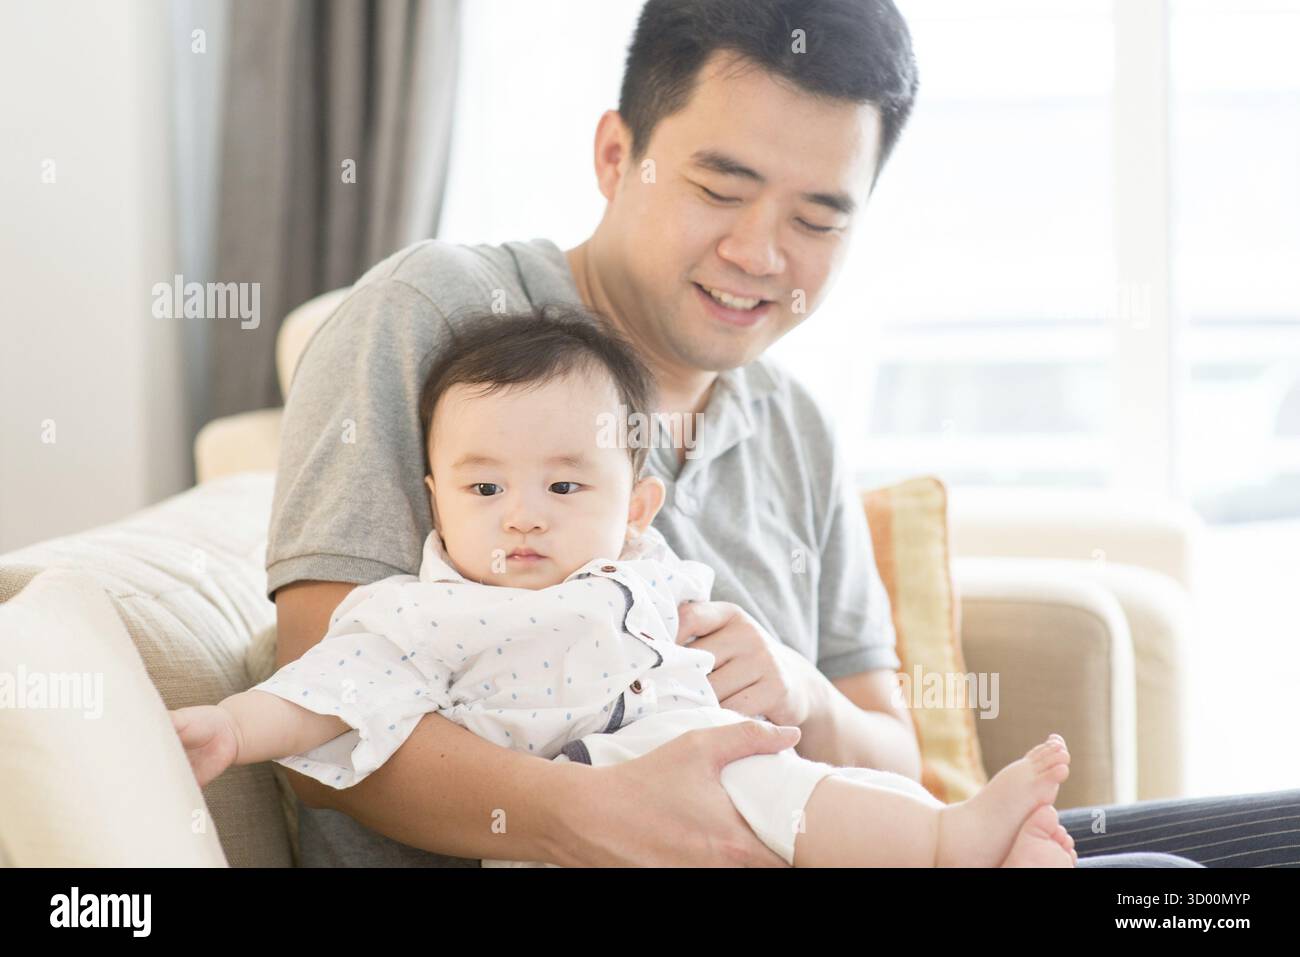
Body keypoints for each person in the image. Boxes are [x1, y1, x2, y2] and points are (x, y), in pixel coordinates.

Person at [267, 0, 1290, 867]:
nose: (759, 252)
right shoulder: (434, 314)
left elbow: (896, 763)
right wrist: (588, 817)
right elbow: (323, 701)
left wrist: (799, 693)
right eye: (720, 189)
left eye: (817, 218)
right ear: (617, 155)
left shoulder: (793, 426)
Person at [183, 309, 1081, 867]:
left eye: (564, 487)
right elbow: (327, 693)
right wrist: (229, 726)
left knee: (808, 788)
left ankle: (961, 843)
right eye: (484, 488)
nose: (522, 517)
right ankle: (947, 847)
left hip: (717, 775)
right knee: (787, 795)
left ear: (637, 508)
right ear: (434, 501)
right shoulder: (428, 610)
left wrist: (790, 682)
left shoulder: (646, 574)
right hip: (597, 794)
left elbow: (865, 739)